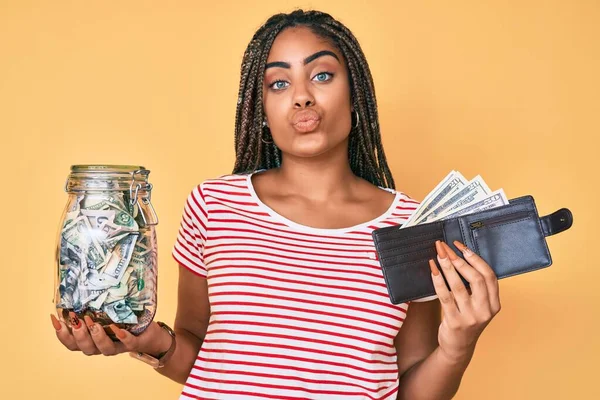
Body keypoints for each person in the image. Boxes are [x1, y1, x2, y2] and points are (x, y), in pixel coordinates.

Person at [50, 9, 501, 400]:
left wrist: (460, 343)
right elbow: (196, 353)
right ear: (261, 109)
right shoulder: (214, 204)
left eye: (322, 75)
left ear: (355, 93)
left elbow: (412, 388)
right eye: (279, 82)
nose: (302, 96)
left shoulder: (411, 225)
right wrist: (145, 340)